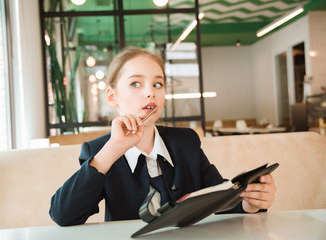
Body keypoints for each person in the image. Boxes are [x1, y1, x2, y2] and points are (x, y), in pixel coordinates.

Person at [49, 47, 276, 226]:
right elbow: (62, 215)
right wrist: (113, 149)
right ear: (112, 97)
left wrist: (252, 203)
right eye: (135, 83)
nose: (151, 92)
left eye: (158, 84)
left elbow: (220, 199)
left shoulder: (186, 141)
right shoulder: (99, 151)